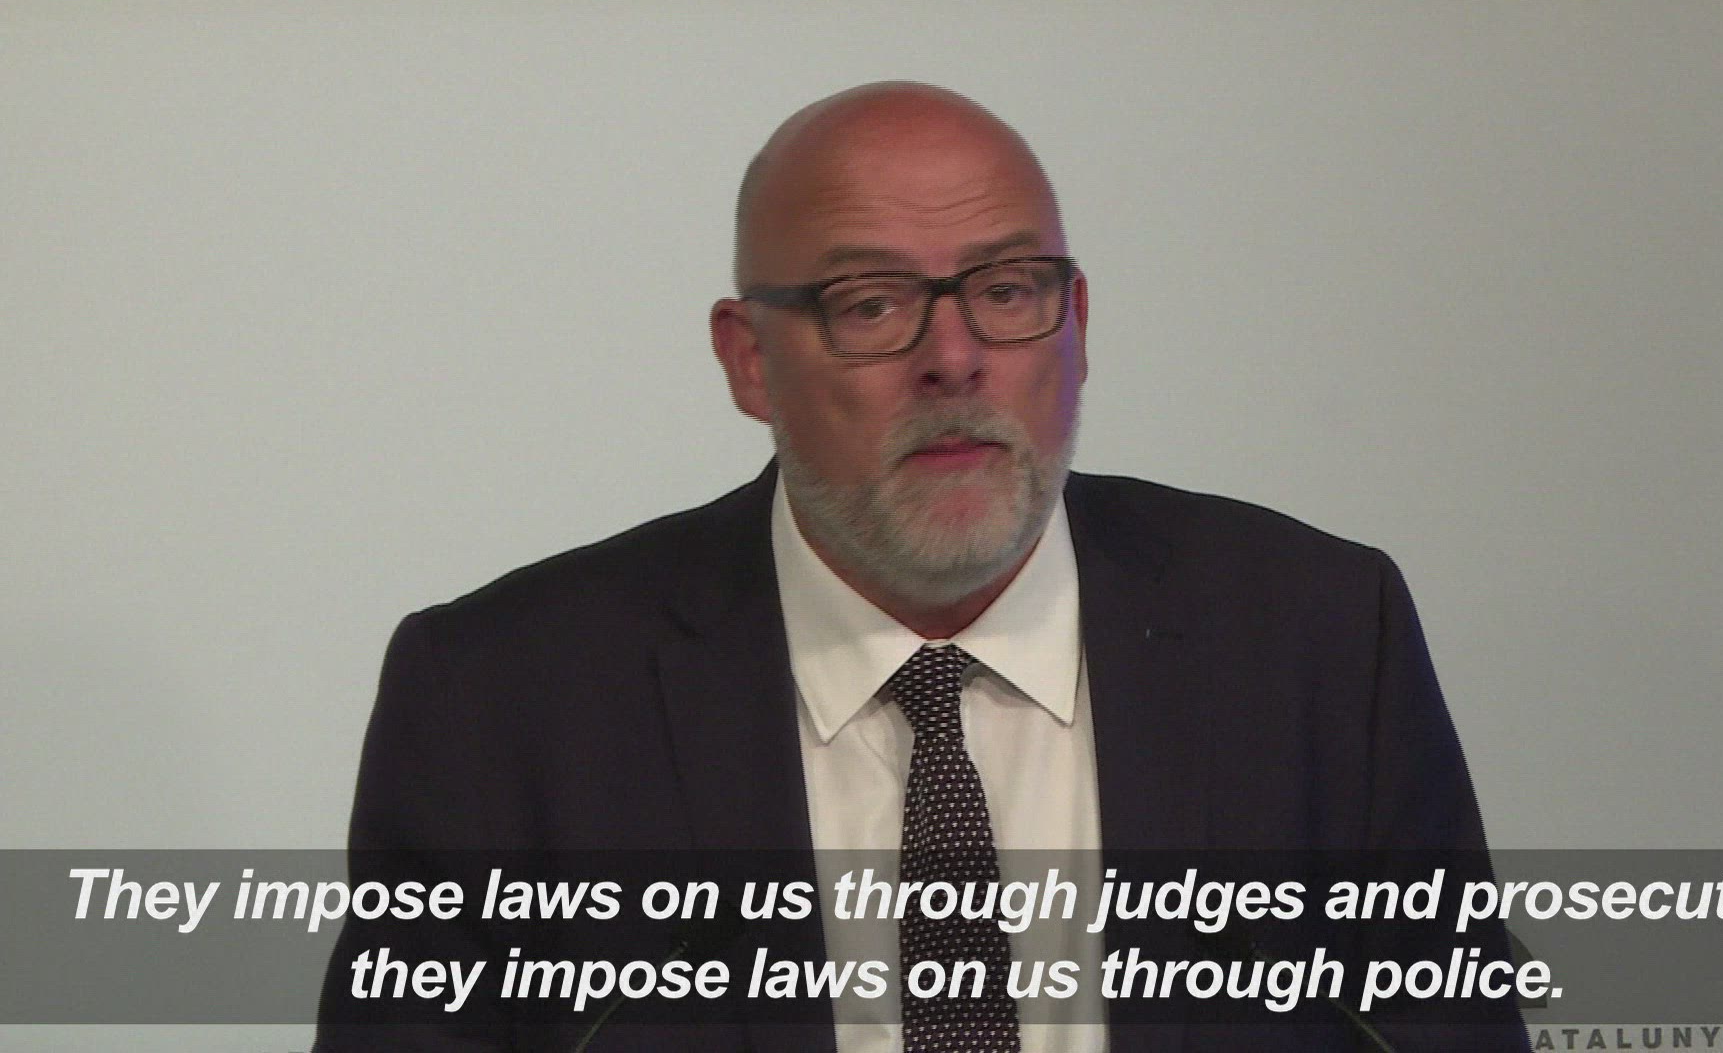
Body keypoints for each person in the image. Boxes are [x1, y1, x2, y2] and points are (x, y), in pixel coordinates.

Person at [316, 82, 1521, 1053]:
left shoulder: (1317, 638)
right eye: (872, 304)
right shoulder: (501, 701)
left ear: (1078, 327)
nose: (954, 357)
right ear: (749, 360)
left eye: (1007, 290)